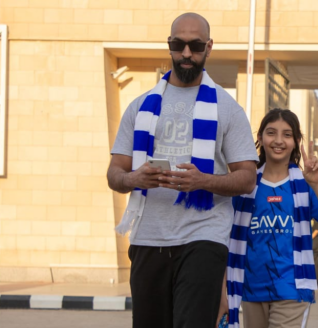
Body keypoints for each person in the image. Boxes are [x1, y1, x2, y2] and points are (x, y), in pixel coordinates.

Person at [106, 13, 258, 328]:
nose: (187, 53)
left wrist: (203, 181)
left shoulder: (228, 109)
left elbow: (247, 177)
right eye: (179, 44)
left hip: (204, 236)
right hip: (149, 237)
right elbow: (114, 174)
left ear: (209, 47)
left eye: (196, 45)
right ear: (170, 46)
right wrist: (136, 178)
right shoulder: (139, 106)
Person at [225, 109, 318, 328]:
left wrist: (316, 183)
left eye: (287, 135)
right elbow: (226, 238)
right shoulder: (245, 185)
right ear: (260, 138)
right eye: (271, 133)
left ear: (297, 141)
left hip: (292, 287)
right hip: (251, 287)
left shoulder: (304, 184)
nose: (278, 141)